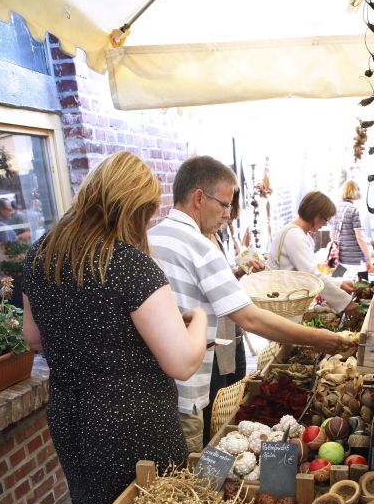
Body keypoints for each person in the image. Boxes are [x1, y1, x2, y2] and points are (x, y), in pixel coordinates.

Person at [22, 151, 208, 504]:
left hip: (71, 412)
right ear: (135, 209)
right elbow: (182, 362)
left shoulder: (40, 254)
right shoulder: (129, 264)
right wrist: (200, 318)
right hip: (134, 420)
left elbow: (33, 338)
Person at [148, 155, 356, 454]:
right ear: (199, 198)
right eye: (224, 204)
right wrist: (320, 339)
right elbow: (251, 319)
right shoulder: (201, 248)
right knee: (184, 466)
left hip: (152, 390)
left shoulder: (150, 238)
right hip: (185, 391)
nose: (227, 214)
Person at [202, 190, 263, 445]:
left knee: (234, 397)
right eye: (224, 206)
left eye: (230, 207)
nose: (227, 214)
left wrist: (240, 271)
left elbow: (222, 282)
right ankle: (215, 448)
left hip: (231, 330)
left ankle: (229, 446)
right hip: (213, 338)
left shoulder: (216, 236)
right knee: (216, 405)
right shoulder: (197, 244)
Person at [268, 191, 357, 313]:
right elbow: (311, 275)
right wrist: (345, 301)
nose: (324, 224)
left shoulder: (302, 234)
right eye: (325, 220)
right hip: (283, 302)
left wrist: (339, 283)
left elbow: (309, 274)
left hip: (289, 300)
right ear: (316, 215)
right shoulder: (295, 235)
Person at [330, 182, 373, 272]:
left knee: (342, 280)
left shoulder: (335, 209)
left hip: (339, 258)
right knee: (358, 281)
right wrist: (369, 258)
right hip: (355, 260)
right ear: (355, 191)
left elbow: (332, 235)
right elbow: (360, 237)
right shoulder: (354, 210)